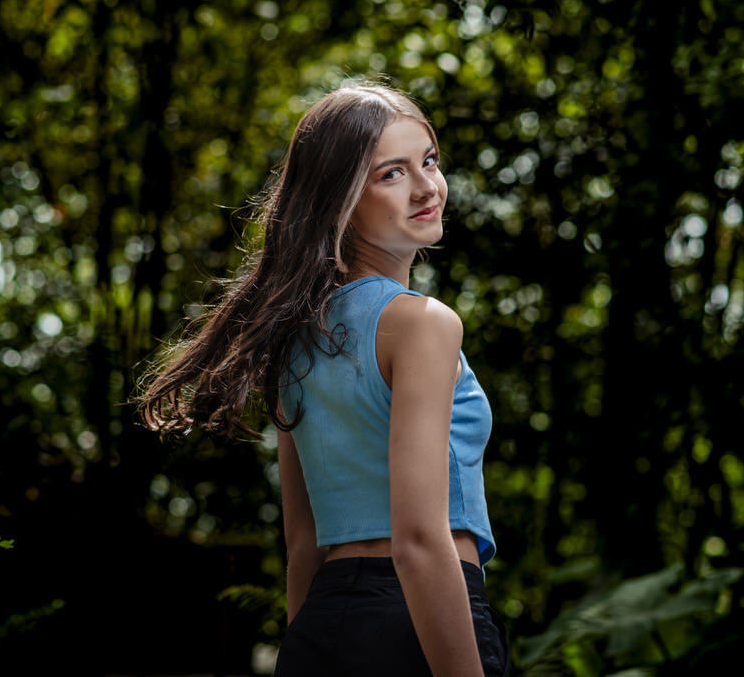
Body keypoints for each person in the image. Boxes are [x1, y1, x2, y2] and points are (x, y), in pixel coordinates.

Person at [134, 79, 509, 676]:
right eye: (391, 174)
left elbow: (303, 545)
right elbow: (417, 540)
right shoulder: (422, 324)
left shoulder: (293, 336)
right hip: (421, 622)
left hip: (322, 631)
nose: (425, 186)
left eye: (429, 161)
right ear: (340, 201)